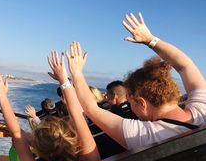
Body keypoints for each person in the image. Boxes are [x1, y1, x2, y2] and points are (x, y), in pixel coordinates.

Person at [66, 12, 206, 151]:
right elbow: (185, 65)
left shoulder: (148, 136)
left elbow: (92, 109)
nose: (131, 107)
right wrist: (150, 39)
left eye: (131, 102)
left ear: (142, 103)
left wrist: (76, 73)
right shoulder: (202, 109)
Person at [0, 55, 100, 161]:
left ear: (41, 152)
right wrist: (64, 78)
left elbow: (17, 134)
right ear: (74, 141)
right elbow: (77, 116)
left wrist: (2, 96)